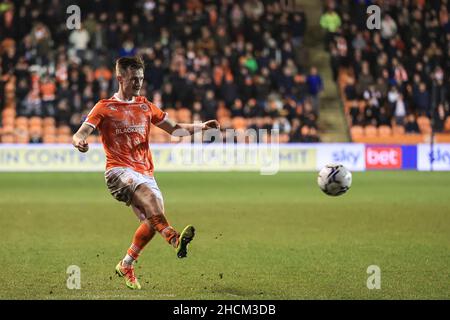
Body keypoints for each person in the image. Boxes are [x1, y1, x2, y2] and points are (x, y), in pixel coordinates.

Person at [72, 56, 219, 290]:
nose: (138, 83)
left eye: (141, 78)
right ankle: (173, 239)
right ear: (120, 78)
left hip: (145, 171)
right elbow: (81, 133)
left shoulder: (145, 105)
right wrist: (79, 142)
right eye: (133, 79)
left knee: (152, 220)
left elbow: (176, 130)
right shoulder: (104, 107)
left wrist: (202, 127)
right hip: (118, 171)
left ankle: (126, 263)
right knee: (151, 202)